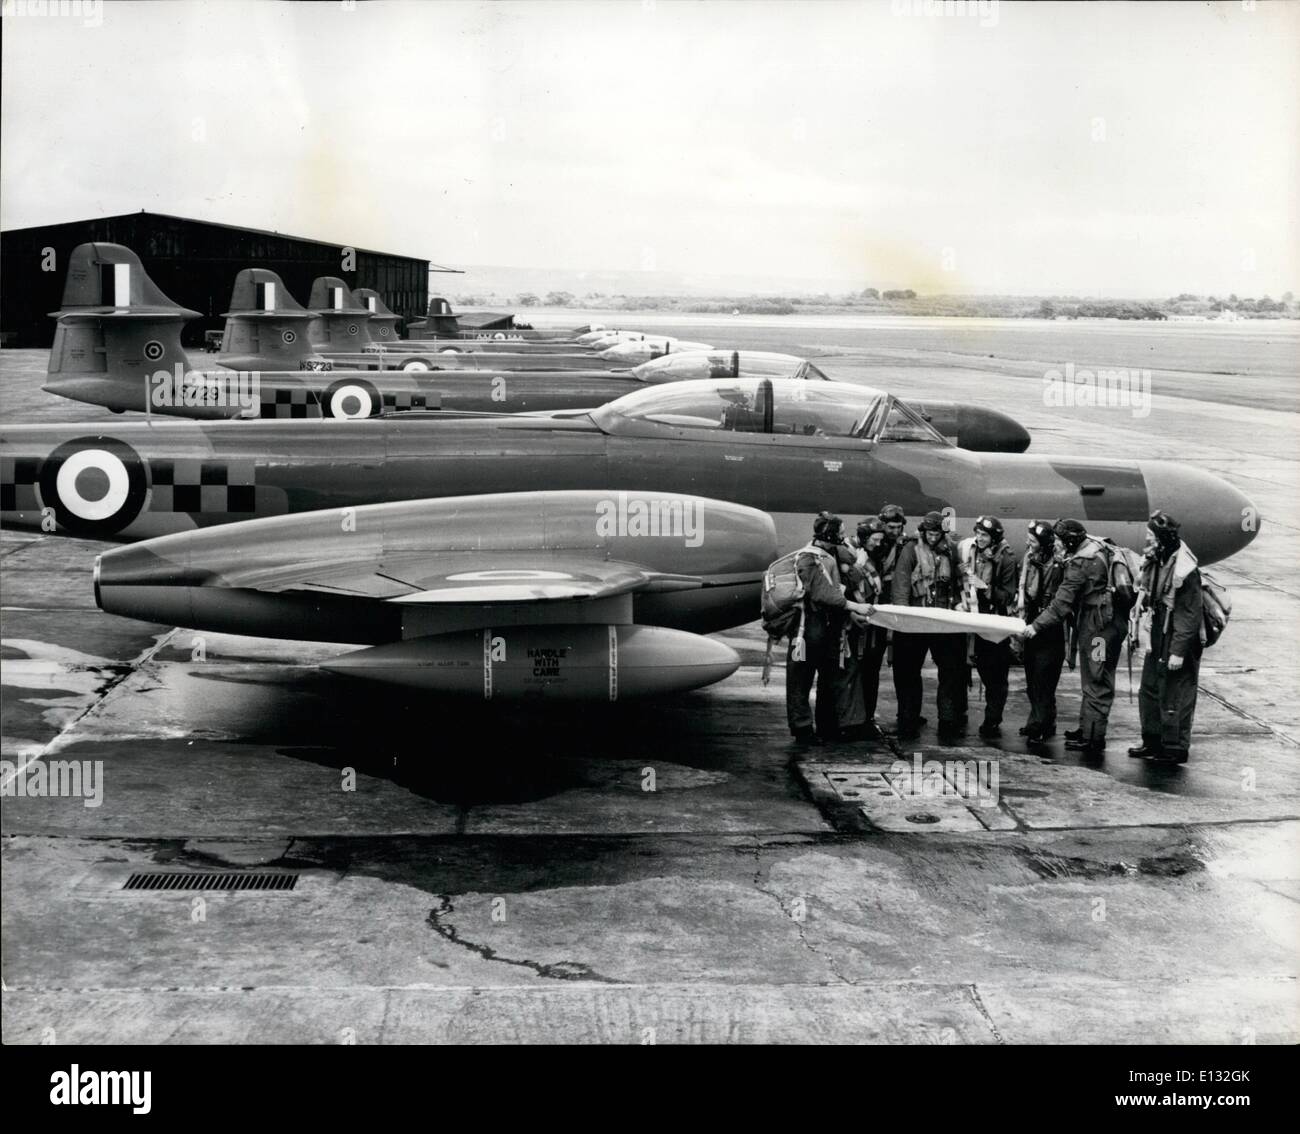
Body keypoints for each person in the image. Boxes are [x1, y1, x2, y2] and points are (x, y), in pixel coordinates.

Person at [1022, 518, 1128, 757]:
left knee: (1097, 677)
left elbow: (1061, 604)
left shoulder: (1081, 562)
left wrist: (1036, 626)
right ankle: (1086, 729)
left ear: (1069, 541)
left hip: (1100, 630)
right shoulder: (1092, 545)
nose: (1056, 544)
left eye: (1059, 540)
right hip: (1098, 622)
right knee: (1091, 676)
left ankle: (1093, 737)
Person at [786, 512, 873, 744]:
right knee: (800, 679)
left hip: (823, 629)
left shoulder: (830, 555)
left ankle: (827, 726)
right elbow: (823, 594)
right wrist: (855, 607)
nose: (844, 536)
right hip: (806, 630)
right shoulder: (810, 559)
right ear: (831, 534)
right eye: (841, 533)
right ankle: (803, 730)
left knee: (827, 674)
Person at [1130, 511, 1204, 764]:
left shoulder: (1185, 568)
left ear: (1161, 538)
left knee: (1176, 692)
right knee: (1149, 688)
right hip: (1159, 629)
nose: (1146, 539)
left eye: (1151, 535)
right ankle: (1152, 741)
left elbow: (1190, 614)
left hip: (1176, 632)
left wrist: (1178, 651)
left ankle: (1174, 747)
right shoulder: (1157, 558)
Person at [891, 511, 966, 742]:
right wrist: (902, 619)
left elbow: (959, 581)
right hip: (916, 620)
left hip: (943, 621)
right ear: (923, 532)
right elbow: (901, 585)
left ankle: (948, 719)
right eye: (929, 533)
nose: (933, 538)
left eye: (937, 534)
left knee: (951, 672)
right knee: (908, 672)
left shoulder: (951, 551)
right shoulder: (910, 550)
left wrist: (961, 605)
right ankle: (908, 719)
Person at [959, 516, 1019, 739]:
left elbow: (1008, 596)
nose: (979, 538)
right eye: (978, 533)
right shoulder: (971, 550)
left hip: (994, 621)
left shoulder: (1006, 558)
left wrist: (986, 589)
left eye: (984, 535)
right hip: (972, 618)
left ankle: (992, 719)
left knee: (995, 674)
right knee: (978, 667)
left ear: (994, 538)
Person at [837, 517, 891, 739]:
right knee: (849, 674)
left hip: (866, 625)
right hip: (850, 625)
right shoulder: (848, 555)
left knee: (864, 673)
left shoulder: (869, 556)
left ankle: (859, 720)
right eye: (875, 540)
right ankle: (847, 723)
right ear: (864, 537)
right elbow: (843, 587)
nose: (878, 544)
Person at [1017, 519, 1066, 743]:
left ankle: (1038, 724)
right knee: (1032, 677)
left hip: (1049, 628)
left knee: (1043, 679)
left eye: (1033, 540)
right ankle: (1045, 721)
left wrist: (1039, 624)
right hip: (1031, 621)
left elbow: (1058, 602)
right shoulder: (1029, 558)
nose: (1028, 542)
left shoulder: (1058, 566)